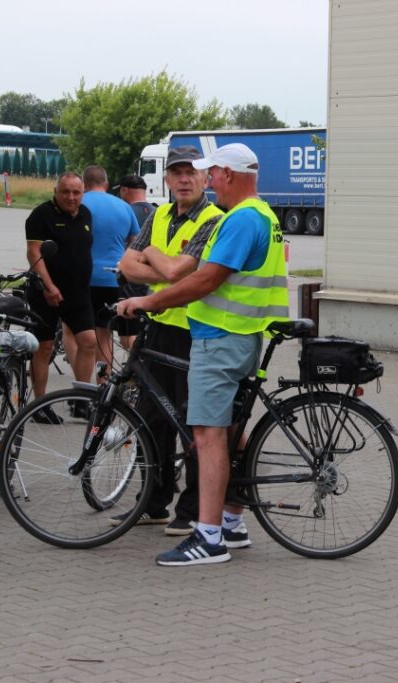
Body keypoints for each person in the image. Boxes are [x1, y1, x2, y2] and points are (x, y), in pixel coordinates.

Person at [117, 143, 288, 566]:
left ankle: (208, 537)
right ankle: (232, 520)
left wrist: (148, 302)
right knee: (227, 428)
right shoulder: (263, 214)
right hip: (240, 336)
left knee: (207, 435)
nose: (207, 181)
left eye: (211, 174)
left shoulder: (241, 219)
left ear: (227, 174)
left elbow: (203, 281)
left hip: (219, 338)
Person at [114, 146, 224, 535]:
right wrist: (163, 268)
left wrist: (152, 255)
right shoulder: (160, 213)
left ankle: (193, 509)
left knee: (192, 421)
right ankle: (154, 501)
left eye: (191, 172)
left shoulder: (214, 219)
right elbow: (126, 264)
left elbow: (182, 273)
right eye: (176, 172)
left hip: (193, 332)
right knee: (149, 417)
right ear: (166, 178)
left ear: (205, 177)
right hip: (157, 328)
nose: (183, 179)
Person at [25, 172, 98, 423]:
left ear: (83, 193)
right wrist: (48, 285)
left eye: (76, 192)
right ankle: (40, 404)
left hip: (78, 293)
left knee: (89, 341)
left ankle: (80, 400)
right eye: (65, 191)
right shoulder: (41, 215)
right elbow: (34, 252)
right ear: (56, 191)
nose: (71, 197)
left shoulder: (86, 214)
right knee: (44, 347)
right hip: (45, 293)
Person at [81, 165, 140, 377]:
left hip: (85, 277)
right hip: (115, 278)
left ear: (84, 184)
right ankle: (104, 383)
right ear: (106, 184)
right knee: (104, 333)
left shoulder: (79, 203)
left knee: (80, 333)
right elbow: (136, 241)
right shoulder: (124, 207)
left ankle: (85, 387)